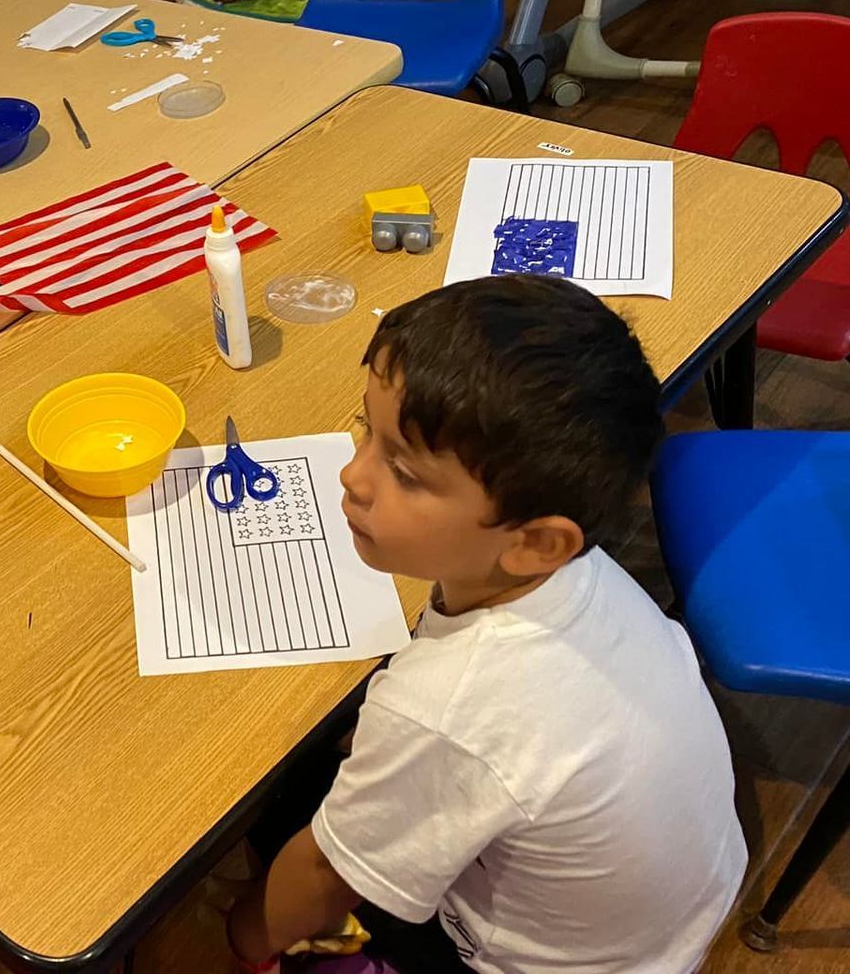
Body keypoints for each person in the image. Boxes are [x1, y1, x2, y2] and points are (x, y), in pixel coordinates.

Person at [227, 275, 746, 974]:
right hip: (668, 928)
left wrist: (241, 940)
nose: (353, 476)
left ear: (535, 541)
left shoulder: (444, 706)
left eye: (405, 473)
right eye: (366, 432)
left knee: (275, 804)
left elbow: (324, 875)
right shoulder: (579, 571)